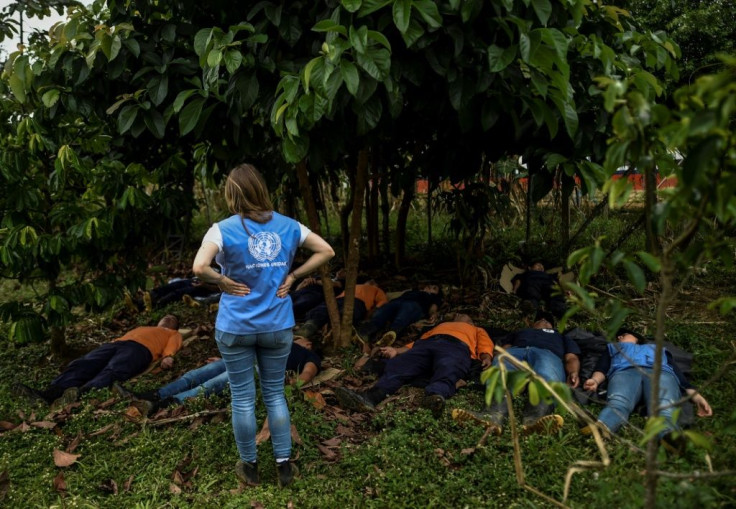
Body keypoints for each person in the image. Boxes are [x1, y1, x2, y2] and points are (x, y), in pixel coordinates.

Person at [192, 163, 334, 488]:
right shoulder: (289, 226)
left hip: (235, 327)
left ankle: (250, 467)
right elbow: (327, 250)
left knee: (242, 398)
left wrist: (222, 281)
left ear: (232, 194)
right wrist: (294, 276)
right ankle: (284, 466)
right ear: (261, 190)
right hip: (276, 325)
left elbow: (200, 267)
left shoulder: (221, 229)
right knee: (274, 394)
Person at [334, 314, 494, 418]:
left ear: (470, 322)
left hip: (456, 347)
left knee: (449, 368)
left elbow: (485, 343)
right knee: (400, 365)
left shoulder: (476, 329)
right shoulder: (439, 326)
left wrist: (486, 356)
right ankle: (371, 397)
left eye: (464, 316)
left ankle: (435, 397)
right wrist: (396, 350)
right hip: (427, 344)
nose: (459, 316)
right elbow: (415, 343)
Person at [114, 339, 322, 416]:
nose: (300, 338)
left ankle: (165, 404)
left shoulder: (306, 354)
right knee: (194, 375)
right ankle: (150, 395)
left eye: (305, 339)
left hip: (263, 370)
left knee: (214, 384)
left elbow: (307, 373)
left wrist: (295, 383)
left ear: (310, 344)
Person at [452, 312, 580, 435]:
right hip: (516, 352)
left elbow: (571, 357)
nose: (543, 321)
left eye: (547, 321)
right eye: (539, 319)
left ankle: (536, 419)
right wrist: (495, 359)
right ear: (532, 324)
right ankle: (492, 415)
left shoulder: (561, 336)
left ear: (552, 326)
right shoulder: (521, 332)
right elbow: (503, 348)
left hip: (547, 353)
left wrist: (573, 372)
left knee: (546, 373)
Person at [14, 315, 182, 408]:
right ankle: (50, 393)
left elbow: (172, 345)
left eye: (172, 318)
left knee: (114, 369)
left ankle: (82, 393)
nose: (168, 318)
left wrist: (168, 357)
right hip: (116, 344)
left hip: (140, 350)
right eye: (166, 316)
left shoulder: (172, 333)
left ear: (175, 326)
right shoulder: (145, 327)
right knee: (84, 363)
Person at [581, 328, 712, 443]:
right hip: (625, 372)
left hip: (660, 373)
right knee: (618, 402)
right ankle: (602, 426)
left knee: (664, 407)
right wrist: (595, 380)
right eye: (618, 336)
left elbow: (678, 375)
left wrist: (697, 397)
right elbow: (602, 367)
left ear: (637, 338)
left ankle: (668, 436)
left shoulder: (658, 349)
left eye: (624, 334)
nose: (619, 337)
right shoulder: (613, 347)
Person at [294, 279, 388, 340]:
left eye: (375, 282)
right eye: (369, 281)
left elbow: (381, 303)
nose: (371, 282)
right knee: (323, 309)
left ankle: (333, 333)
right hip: (339, 299)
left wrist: (370, 314)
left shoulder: (377, 290)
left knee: (348, 313)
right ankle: (309, 327)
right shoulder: (354, 285)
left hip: (358, 302)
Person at [354, 284, 442, 347]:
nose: (431, 287)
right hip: (396, 302)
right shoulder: (411, 291)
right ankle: (363, 333)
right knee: (382, 313)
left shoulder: (433, 297)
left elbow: (433, 307)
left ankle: (391, 335)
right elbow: (389, 295)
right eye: (430, 285)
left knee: (403, 316)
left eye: (434, 288)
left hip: (414, 305)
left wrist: (433, 314)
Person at [125, 278, 221, 312]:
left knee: (180, 292)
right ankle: (139, 303)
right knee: (173, 285)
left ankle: (156, 305)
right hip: (202, 281)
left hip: (208, 289)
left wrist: (205, 285)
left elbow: (221, 289)